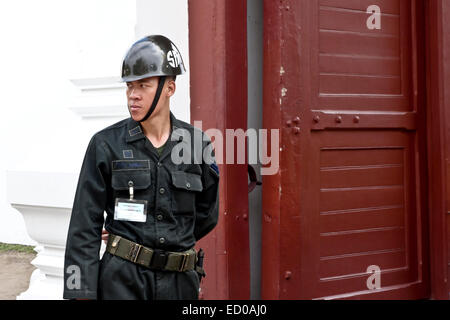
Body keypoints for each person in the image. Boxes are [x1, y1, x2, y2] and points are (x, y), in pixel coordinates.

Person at [63, 35, 220, 300]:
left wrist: (169, 236)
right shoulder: (105, 144)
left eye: (143, 86)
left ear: (169, 88)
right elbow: (83, 224)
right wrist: (80, 292)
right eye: (129, 87)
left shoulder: (197, 144)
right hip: (122, 282)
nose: (133, 95)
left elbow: (207, 213)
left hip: (180, 283)